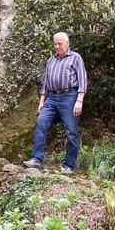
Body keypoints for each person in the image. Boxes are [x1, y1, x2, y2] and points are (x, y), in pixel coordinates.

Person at [23, 32, 88, 175]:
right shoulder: (51, 60)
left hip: (70, 96)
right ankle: (37, 160)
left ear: (67, 43)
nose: (57, 46)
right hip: (52, 98)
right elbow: (46, 83)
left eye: (60, 44)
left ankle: (69, 166)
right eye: (55, 44)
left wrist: (79, 100)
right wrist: (42, 101)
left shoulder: (75, 58)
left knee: (71, 131)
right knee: (41, 123)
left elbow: (83, 80)